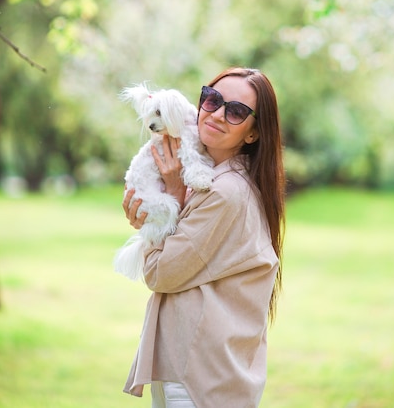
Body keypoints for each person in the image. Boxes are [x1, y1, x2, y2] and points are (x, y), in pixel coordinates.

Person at [121, 67, 285, 408]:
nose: (218, 113)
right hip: (199, 369)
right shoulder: (214, 180)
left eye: (237, 111)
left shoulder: (224, 192)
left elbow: (160, 272)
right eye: (212, 99)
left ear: (253, 134)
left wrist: (171, 196)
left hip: (199, 378)